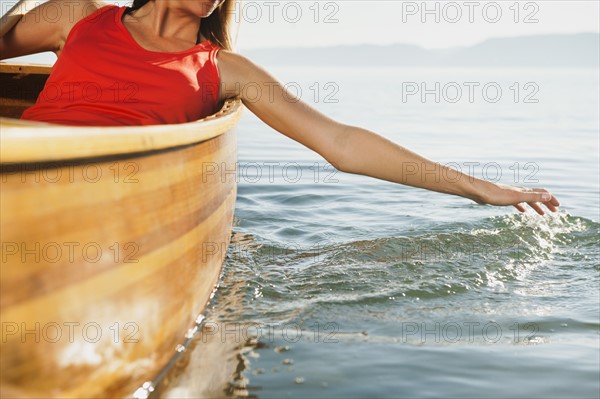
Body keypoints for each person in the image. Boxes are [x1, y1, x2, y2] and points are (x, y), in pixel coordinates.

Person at [0, 0, 560, 215]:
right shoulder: (78, 16)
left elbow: (340, 144)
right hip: (17, 171)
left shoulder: (225, 69)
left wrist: (484, 189)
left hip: (105, 202)